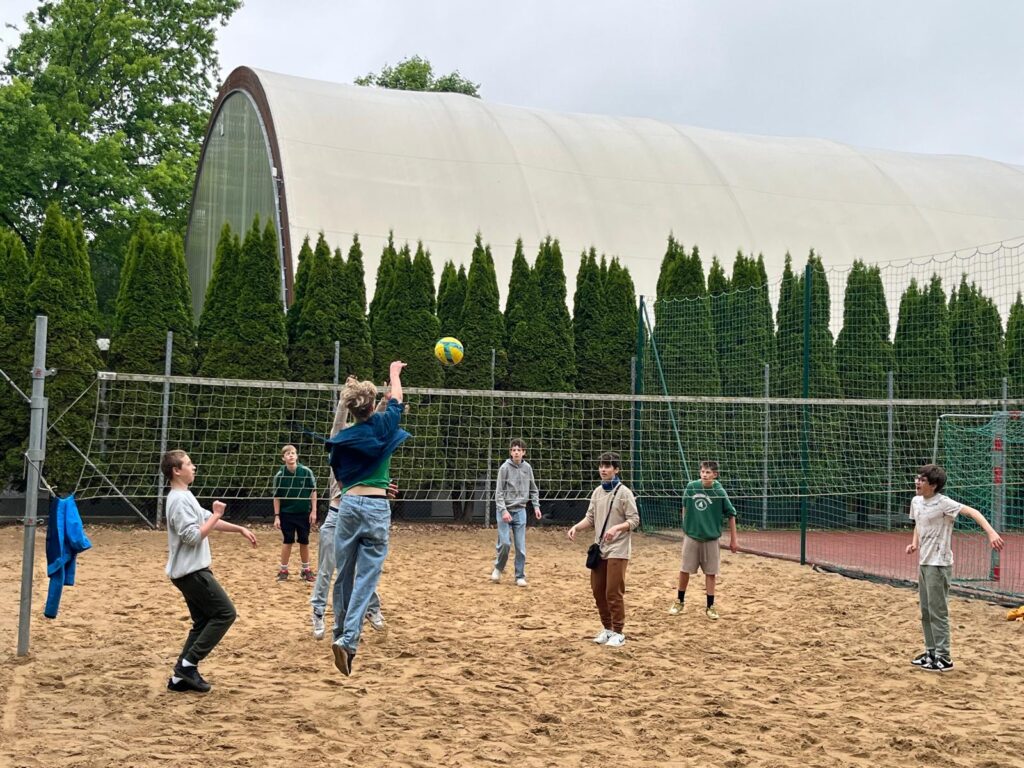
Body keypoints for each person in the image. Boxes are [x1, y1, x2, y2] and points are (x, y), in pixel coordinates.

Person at [325, 361, 411, 676]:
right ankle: (348, 640)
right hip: (376, 506)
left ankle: (338, 632)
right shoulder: (384, 425)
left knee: (344, 575)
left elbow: (341, 477)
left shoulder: (344, 437)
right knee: (366, 578)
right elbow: (397, 399)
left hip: (348, 505)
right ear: (373, 406)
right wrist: (394, 374)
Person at [161, 449, 257, 693]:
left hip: (189, 572)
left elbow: (205, 519)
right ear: (176, 471)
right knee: (226, 613)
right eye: (188, 464)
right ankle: (188, 665)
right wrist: (216, 514)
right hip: (192, 573)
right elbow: (193, 536)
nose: (193, 467)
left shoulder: (185, 495)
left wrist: (239, 529)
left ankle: (179, 679)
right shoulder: (178, 500)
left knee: (202, 621)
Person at [906, 463, 1003, 672]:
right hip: (924, 562)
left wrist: (991, 532)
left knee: (937, 612)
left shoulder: (944, 503)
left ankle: (944, 657)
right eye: (917, 478)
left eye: (922, 480)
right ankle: (931, 652)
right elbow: (918, 524)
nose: (917, 482)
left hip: (939, 564)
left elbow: (973, 512)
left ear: (933, 485)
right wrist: (914, 544)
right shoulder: (916, 501)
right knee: (925, 611)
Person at [310, 392, 392, 640]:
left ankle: (371, 609)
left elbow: (372, 422)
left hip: (356, 511)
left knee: (361, 569)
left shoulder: (365, 444)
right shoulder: (340, 441)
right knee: (327, 569)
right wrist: (345, 399)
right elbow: (343, 422)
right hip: (337, 514)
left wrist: (384, 400)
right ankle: (318, 612)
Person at [567, 451, 639, 648]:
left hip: (619, 549)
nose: (603, 469)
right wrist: (576, 528)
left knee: (613, 592)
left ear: (616, 470)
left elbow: (634, 520)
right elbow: (590, 517)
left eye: (607, 466)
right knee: (598, 591)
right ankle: (607, 629)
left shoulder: (624, 493)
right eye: (601, 466)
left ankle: (618, 632)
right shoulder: (597, 492)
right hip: (601, 549)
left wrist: (616, 528)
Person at [669, 460, 738, 620]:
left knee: (711, 573)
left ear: (715, 475)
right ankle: (679, 601)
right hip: (692, 536)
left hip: (711, 538)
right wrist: (686, 527)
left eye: (708, 472)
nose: (704, 475)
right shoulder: (691, 487)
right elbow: (684, 506)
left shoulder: (719, 491)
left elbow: (731, 514)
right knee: (684, 570)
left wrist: (734, 540)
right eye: (702, 472)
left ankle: (710, 606)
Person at [491, 438, 542, 587]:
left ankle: (519, 576)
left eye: (519, 450)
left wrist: (536, 506)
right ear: (510, 452)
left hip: (520, 510)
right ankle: (498, 568)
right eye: (514, 450)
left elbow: (533, 489)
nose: (516, 452)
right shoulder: (504, 468)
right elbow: (499, 493)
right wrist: (503, 511)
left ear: (524, 452)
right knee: (505, 543)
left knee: (520, 547)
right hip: (505, 511)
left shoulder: (527, 468)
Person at [271, 445, 317, 582]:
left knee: (304, 541)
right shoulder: (280, 475)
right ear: (283, 458)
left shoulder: (306, 471)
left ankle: (306, 570)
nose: (291, 455)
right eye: (288, 454)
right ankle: (283, 570)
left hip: (303, 513)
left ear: (297, 456)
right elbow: (276, 497)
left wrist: (314, 511)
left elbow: (313, 491)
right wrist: (277, 517)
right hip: (287, 514)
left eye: (293, 453)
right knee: (288, 540)